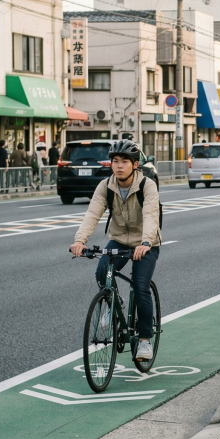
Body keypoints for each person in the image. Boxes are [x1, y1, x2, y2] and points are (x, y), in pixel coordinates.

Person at [69, 141, 162, 363]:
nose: (119, 166)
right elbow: (92, 214)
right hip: (119, 240)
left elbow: (151, 215)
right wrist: (80, 241)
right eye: (115, 161)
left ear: (135, 165)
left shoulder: (147, 185)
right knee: (102, 272)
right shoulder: (105, 186)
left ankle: (145, 340)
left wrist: (146, 242)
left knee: (140, 287)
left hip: (146, 243)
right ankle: (114, 303)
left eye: (124, 162)